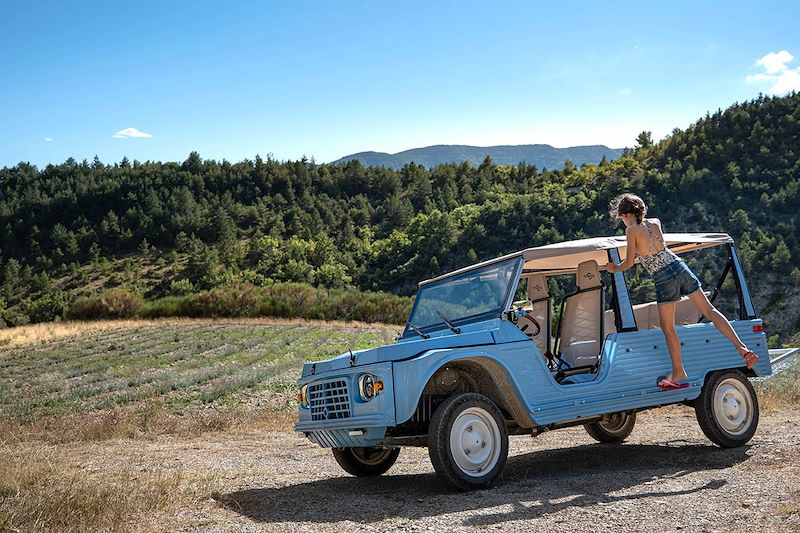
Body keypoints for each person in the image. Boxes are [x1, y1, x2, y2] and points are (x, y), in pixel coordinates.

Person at [604, 193, 758, 390]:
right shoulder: (655, 223)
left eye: (622, 218)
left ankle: (678, 371)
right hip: (679, 267)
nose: (623, 222)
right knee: (709, 311)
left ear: (626, 215)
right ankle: (742, 348)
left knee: (667, 327)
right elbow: (657, 248)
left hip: (663, 277)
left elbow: (627, 263)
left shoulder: (632, 230)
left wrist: (612, 268)